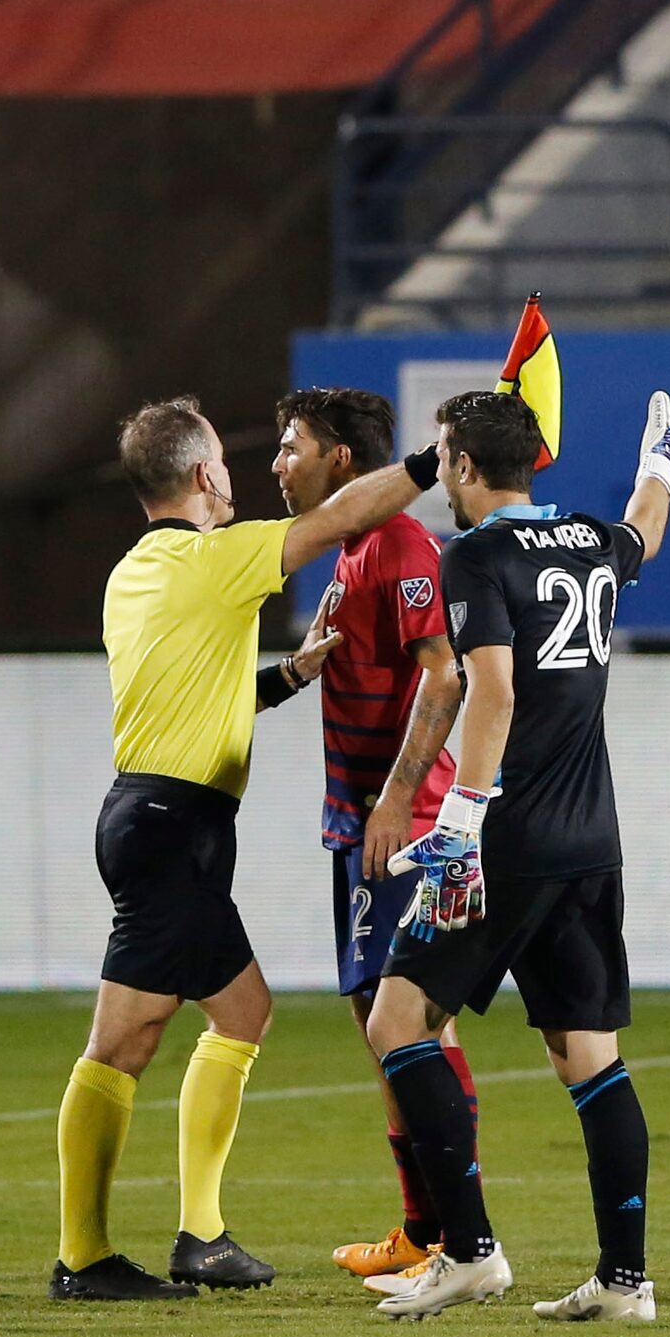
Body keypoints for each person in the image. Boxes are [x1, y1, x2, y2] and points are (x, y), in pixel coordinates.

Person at [52, 396, 438, 1303]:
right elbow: (338, 517)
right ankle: (126, 1250)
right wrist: (432, 459)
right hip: (174, 829)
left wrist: (289, 677)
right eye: (226, 460)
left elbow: (188, 692)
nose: (239, 474)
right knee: (159, 1036)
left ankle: (162, 1242)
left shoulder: (132, 575)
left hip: (145, 817)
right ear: (202, 477)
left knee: (195, 1023)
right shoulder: (217, 557)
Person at [362, 386, 670, 1325]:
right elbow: (645, 531)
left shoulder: (472, 556)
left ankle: (468, 1252)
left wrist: (461, 816)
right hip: (592, 840)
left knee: (396, 1024)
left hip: (506, 842)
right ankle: (627, 1282)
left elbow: (489, 690)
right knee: (589, 1054)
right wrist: (659, 459)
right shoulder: (588, 539)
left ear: (463, 467)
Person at [267, 389, 470, 1285]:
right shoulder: (349, 549)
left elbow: (445, 675)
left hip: (406, 823)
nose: (279, 462)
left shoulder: (400, 544)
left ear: (342, 459)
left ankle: (456, 1237)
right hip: (357, 826)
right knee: (384, 1026)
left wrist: (394, 805)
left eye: (291, 446)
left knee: (415, 1028)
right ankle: (426, 1232)